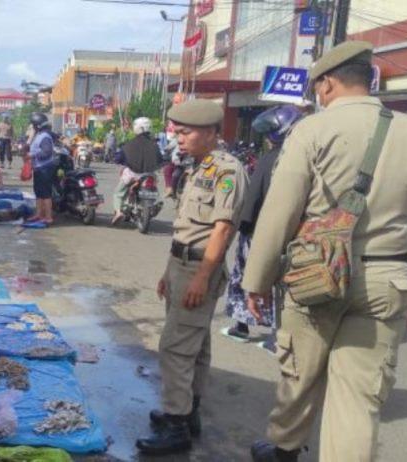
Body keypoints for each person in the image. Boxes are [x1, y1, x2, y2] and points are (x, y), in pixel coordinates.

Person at [242, 41, 407, 462]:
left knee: (300, 373)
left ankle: (285, 449)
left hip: (317, 273)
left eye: (318, 86)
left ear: (328, 83)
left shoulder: (311, 130)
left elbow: (280, 211)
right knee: (358, 400)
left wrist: (256, 280)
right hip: (388, 279)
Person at [137, 100, 248, 456]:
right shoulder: (200, 166)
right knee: (195, 345)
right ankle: (188, 412)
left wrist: (202, 277)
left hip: (199, 267)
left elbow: (222, 230)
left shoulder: (227, 170)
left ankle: (176, 424)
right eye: (177, 133)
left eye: (186, 133)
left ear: (212, 132)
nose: (179, 139)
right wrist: (168, 271)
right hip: (181, 264)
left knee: (174, 347)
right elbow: (186, 227)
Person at [221, 105, 302, 346]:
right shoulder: (305, 159)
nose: (266, 138)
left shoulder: (269, 160)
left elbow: (253, 198)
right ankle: (279, 335)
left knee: (247, 277)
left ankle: (242, 326)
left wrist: (244, 228)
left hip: (262, 233)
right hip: (296, 236)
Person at [111, 117, 163, 225]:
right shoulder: (155, 145)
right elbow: (161, 160)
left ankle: (118, 212)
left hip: (132, 175)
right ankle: (154, 203)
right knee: (154, 186)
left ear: (137, 128)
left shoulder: (129, 144)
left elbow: (118, 158)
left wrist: (118, 160)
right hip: (148, 175)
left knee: (118, 193)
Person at [28, 112, 58, 225]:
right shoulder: (40, 135)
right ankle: (39, 214)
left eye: (33, 126)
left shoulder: (45, 136)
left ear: (38, 125)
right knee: (38, 192)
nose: (32, 128)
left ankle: (48, 217)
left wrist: (32, 155)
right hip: (39, 168)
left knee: (45, 193)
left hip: (45, 168)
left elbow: (46, 152)